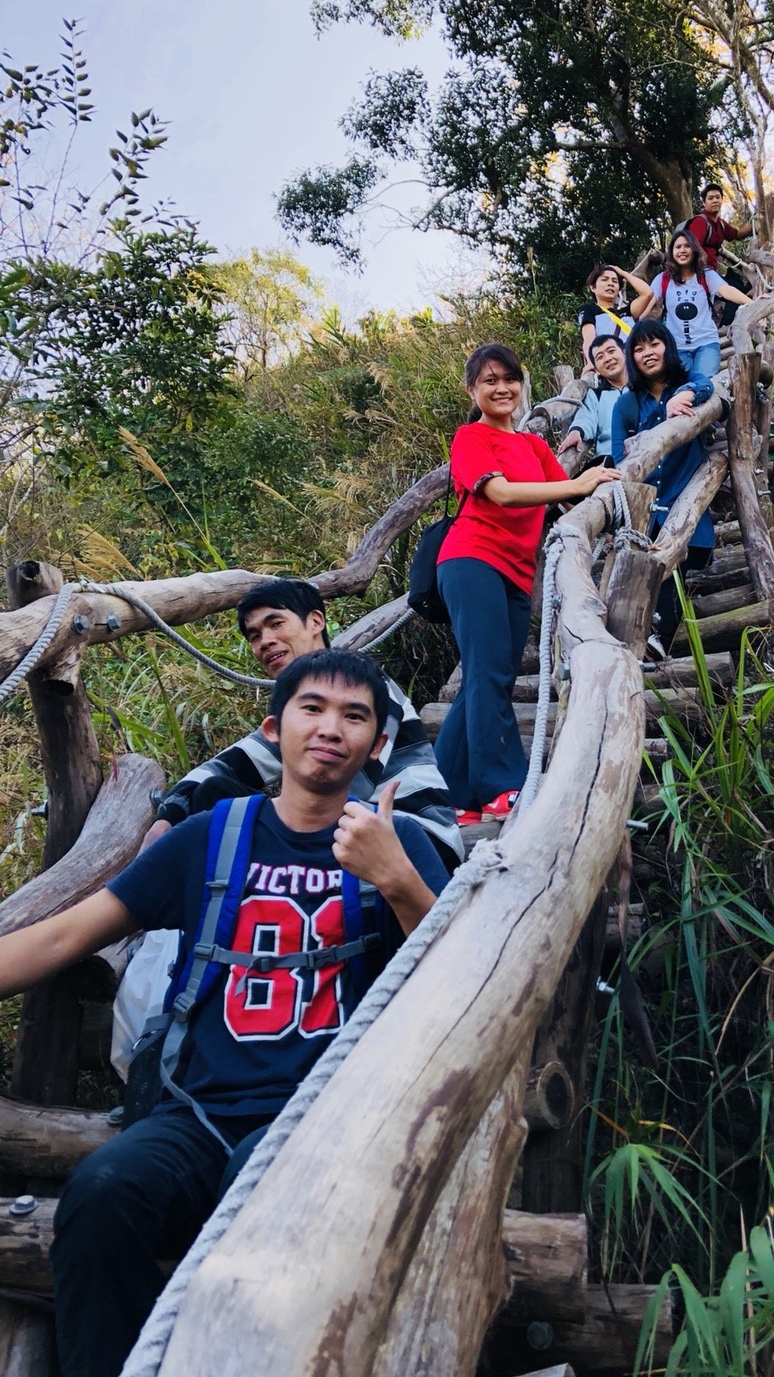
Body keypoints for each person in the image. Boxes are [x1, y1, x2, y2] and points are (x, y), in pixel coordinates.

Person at [0, 649, 450, 1377]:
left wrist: (398, 880)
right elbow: (67, 933)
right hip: (192, 1111)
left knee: (264, 1204)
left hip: (320, 1119)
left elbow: (462, 981)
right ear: (275, 729)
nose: (331, 727)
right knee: (102, 1195)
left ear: (379, 744)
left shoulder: (402, 849)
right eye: (313, 708)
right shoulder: (212, 836)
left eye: (354, 716)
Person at [143, 579, 462, 871]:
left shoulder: (366, 689)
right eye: (255, 635)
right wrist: (168, 816)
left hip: (420, 840)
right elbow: (234, 763)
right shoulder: (298, 708)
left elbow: (331, 794)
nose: (265, 641)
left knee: (230, 808)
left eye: (275, 624)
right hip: (355, 834)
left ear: (315, 622)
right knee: (217, 792)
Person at [435, 343, 621, 823]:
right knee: (492, 671)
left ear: (522, 384)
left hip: (518, 573)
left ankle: (449, 797)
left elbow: (567, 503)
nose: (502, 388)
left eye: (509, 379)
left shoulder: (535, 446)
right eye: (489, 381)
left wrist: (610, 501)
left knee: (485, 673)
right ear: (472, 390)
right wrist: (579, 485)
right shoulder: (471, 438)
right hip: (471, 560)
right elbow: (499, 493)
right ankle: (500, 787)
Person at [611, 320, 717, 652]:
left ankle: (655, 638)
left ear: (667, 346)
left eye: (654, 344)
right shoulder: (626, 405)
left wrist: (682, 395)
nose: (647, 353)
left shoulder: (687, 382)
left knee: (674, 558)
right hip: (645, 508)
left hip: (685, 500)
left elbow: (708, 386)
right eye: (638, 349)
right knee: (648, 562)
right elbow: (619, 459)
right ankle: (647, 639)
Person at [629, 229, 750, 380]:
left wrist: (752, 302)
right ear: (671, 252)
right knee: (681, 387)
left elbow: (726, 291)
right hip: (676, 347)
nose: (682, 250)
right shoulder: (663, 279)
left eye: (687, 246)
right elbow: (647, 303)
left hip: (706, 343)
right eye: (678, 247)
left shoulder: (706, 275)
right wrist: (636, 322)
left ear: (694, 250)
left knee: (704, 381)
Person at [557, 334, 628, 459]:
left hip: (644, 456)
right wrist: (576, 431)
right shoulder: (596, 395)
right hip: (608, 461)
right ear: (596, 369)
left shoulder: (642, 389)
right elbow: (586, 418)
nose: (607, 359)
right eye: (600, 357)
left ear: (625, 353)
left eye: (611, 351)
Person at [576, 263, 636, 363]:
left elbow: (648, 293)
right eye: (604, 279)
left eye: (615, 281)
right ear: (593, 287)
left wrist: (622, 273)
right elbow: (589, 339)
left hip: (632, 362)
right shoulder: (589, 310)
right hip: (609, 361)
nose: (610, 284)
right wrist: (591, 363)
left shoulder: (627, 312)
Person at [684, 183, 747, 272]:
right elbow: (692, 248)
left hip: (712, 271)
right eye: (710, 198)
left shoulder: (721, 224)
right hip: (699, 271)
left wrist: (754, 225)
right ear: (704, 203)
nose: (715, 200)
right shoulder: (700, 222)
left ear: (722, 200)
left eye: (718, 197)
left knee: (737, 283)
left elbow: (737, 234)